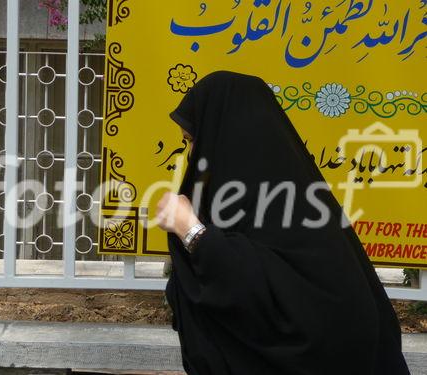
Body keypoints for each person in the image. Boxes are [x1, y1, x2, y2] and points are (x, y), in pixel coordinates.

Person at [156, 71, 410, 375]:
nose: (191, 154)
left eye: (194, 140)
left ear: (225, 137)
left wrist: (193, 232)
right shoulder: (252, 201)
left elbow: (275, 301)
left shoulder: (296, 211)